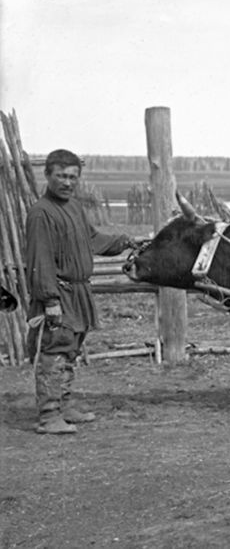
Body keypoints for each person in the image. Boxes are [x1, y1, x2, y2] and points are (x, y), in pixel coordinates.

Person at [25, 149, 138, 434]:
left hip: (78, 293)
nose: (67, 182)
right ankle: (49, 416)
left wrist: (124, 242)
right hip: (58, 294)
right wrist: (50, 300)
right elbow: (40, 259)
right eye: (61, 176)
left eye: (73, 177)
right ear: (47, 175)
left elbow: (93, 239)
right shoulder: (41, 213)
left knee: (70, 351)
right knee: (54, 351)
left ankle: (63, 405)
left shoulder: (74, 207)